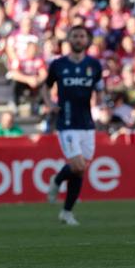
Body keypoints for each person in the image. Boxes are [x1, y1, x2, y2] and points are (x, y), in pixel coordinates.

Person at [40, 25, 105, 226]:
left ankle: (66, 212)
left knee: (80, 169)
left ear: (87, 40)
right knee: (77, 165)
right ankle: (58, 180)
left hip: (87, 122)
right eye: (75, 36)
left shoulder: (94, 65)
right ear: (68, 39)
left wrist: (100, 103)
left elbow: (100, 88)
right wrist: (50, 104)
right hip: (67, 122)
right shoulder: (58, 64)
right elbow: (46, 86)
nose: (78, 39)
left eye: (82, 36)